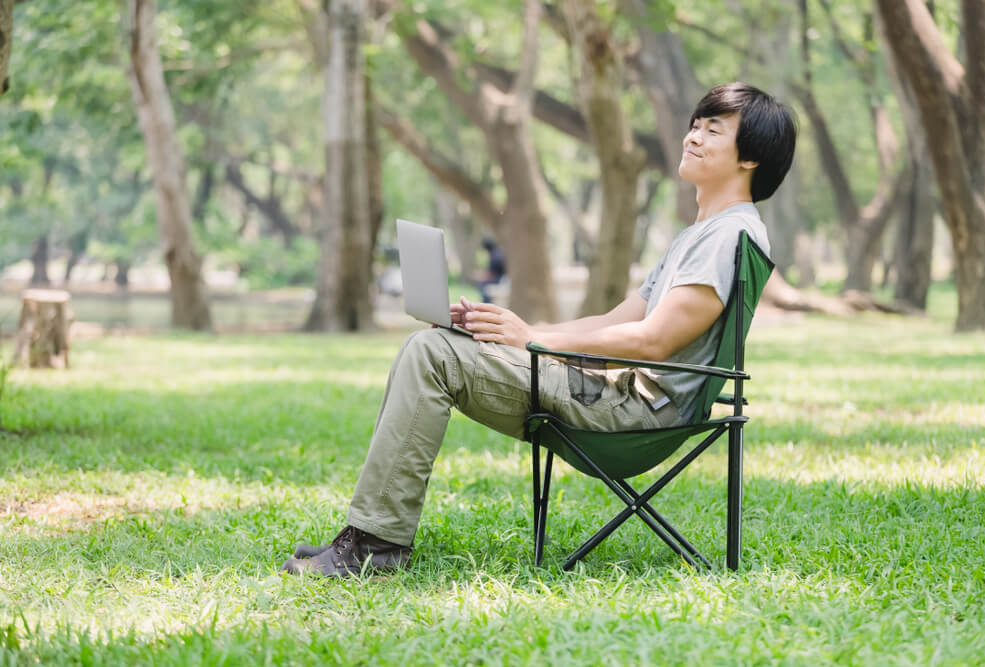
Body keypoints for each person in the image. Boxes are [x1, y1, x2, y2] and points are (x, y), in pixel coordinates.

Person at [281, 82, 797, 578]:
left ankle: (374, 545)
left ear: (749, 156)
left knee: (432, 353)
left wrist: (536, 341)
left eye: (712, 129)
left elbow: (654, 341)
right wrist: (514, 329)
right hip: (616, 395)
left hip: (637, 413)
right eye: (694, 125)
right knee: (442, 344)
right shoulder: (702, 233)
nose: (692, 136)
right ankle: (370, 536)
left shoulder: (728, 234)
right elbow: (619, 319)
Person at [476, 238, 507, 303]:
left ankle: (486, 305)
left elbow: (492, 274)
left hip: (499, 279)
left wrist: (481, 276)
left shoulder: (494, 257)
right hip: (501, 278)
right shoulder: (497, 252)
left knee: (482, 286)